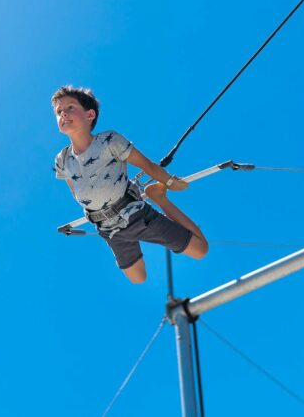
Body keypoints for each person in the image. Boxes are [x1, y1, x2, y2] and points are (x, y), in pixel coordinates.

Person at [52, 85, 208, 284]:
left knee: (201, 249)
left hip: (135, 215)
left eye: (70, 107)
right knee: (138, 278)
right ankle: (134, 233)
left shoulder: (109, 140)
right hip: (109, 230)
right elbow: (76, 192)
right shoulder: (62, 159)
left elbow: (147, 165)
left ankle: (159, 198)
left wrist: (168, 181)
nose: (63, 113)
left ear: (90, 115)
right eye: (58, 112)